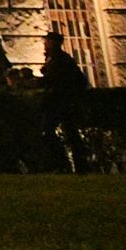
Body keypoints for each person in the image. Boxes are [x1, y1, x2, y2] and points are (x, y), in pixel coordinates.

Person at [40, 29, 91, 174]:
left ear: (55, 43)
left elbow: (56, 80)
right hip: (60, 103)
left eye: (48, 41)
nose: (45, 44)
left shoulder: (61, 60)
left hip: (62, 103)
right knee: (67, 134)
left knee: (54, 132)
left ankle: (66, 164)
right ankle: (71, 165)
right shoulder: (55, 58)